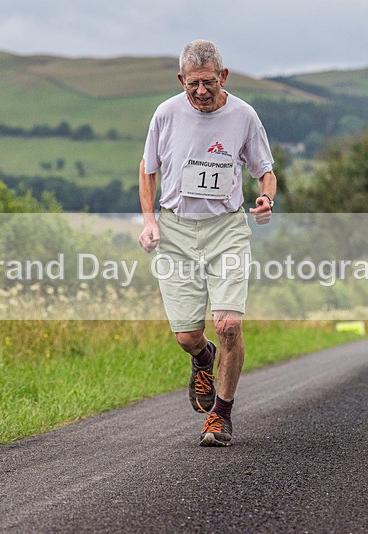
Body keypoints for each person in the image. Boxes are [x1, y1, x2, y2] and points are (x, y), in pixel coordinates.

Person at [138, 39, 277, 447]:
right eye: (193, 84)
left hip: (226, 228)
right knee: (186, 336)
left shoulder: (243, 115)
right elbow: (148, 169)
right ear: (182, 79)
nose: (201, 92)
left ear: (224, 77)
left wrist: (267, 198)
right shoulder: (166, 114)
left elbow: (264, 170)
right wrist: (150, 222)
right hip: (176, 229)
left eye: (209, 83)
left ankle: (221, 415)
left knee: (230, 325)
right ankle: (203, 357)